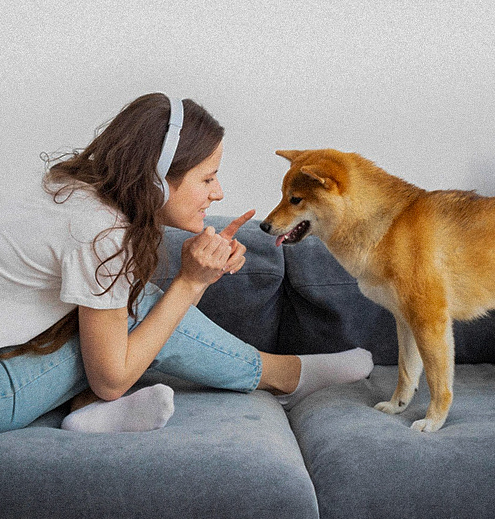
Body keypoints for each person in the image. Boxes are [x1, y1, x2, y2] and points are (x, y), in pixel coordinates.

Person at [0, 93, 373, 433]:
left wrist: (197, 279)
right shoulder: (99, 231)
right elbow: (112, 377)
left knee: (133, 307)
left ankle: (86, 410)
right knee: (140, 312)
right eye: (207, 177)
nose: (218, 192)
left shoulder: (73, 192)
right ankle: (287, 377)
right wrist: (190, 282)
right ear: (157, 180)